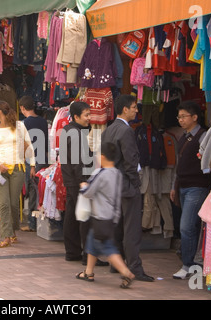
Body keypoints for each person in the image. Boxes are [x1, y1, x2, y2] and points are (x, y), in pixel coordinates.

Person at [101, 94, 154, 282]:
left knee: (117, 226)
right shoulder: (126, 131)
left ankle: (116, 264)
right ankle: (134, 267)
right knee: (131, 228)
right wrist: (136, 181)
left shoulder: (108, 130)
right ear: (125, 109)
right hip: (126, 184)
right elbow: (131, 161)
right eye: (133, 107)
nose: (136, 110)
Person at [76, 142, 136, 289]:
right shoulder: (117, 173)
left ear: (102, 157)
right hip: (111, 216)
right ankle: (89, 272)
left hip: (100, 216)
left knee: (107, 247)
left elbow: (89, 192)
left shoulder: (101, 174)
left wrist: (83, 186)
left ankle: (125, 271)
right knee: (92, 241)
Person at [169, 100, 211, 280]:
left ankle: (188, 264)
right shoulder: (184, 137)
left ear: (195, 117)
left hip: (198, 186)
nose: (180, 120)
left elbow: (208, 161)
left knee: (187, 226)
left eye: (184, 116)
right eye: (178, 117)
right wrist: (174, 186)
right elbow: (179, 164)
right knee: (191, 226)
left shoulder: (203, 136)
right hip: (183, 186)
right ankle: (194, 263)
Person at [0, 101, 35, 248]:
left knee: (13, 204)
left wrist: (32, 164)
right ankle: (6, 236)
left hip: (18, 169)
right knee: (4, 203)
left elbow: (29, 145)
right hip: (0, 169)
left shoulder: (19, 126)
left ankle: (13, 231)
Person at [59, 101, 101, 265]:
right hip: (78, 181)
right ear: (76, 116)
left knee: (72, 216)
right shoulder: (75, 134)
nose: (89, 118)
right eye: (86, 115)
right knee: (84, 217)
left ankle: (73, 251)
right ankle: (87, 256)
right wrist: (83, 182)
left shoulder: (70, 130)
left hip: (71, 180)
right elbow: (78, 162)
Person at [19, 95, 49, 232]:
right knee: (40, 191)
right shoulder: (43, 122)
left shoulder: (24, 124)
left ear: (22, 108)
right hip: (42, 159)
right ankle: (38, 221)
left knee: (32, 191)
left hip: (30, 160)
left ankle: (32, 224)